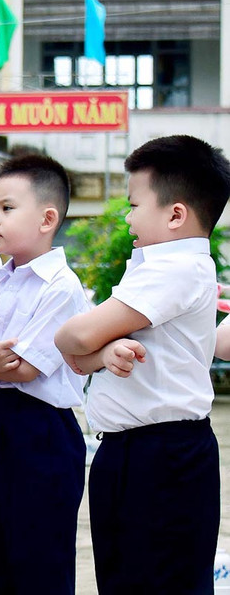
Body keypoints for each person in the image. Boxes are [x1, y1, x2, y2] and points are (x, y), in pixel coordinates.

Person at [54, 135, 230, 595]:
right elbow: (78, 354)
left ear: (175, 214)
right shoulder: (159, 267)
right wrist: (91, 353)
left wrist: (84, 348)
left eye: (133, 204)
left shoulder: (174, 269)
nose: (126, 216)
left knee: (157, 579)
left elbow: (71, 337)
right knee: (128, 576)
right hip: (137, 451)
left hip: (161, 455)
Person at [0, 154, 88, 595]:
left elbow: (24, 368)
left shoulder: (61, 286)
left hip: (40, 432)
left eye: (7, 209)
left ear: (48, 218)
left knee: (39, 559)